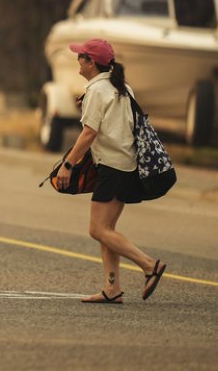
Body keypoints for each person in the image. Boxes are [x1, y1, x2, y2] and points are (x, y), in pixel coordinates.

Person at [56, 38, 167, 304]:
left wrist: (67, 165)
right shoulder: (122, 88)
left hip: (113, 168)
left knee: (97, 230)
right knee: (108, 229)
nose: (78, 61)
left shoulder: (97, 91)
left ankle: (149, 265)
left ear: (91, 62)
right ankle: (112, 288)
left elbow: (89, 133)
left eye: (81, 56)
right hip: (126, 165)